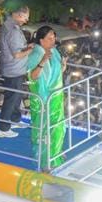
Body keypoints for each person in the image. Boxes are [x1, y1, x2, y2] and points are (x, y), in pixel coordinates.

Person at [27, 26, 67, 169]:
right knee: (45, 129)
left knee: (58, 128)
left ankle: (55, 152)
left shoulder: (55, 52)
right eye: (50, 38)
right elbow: (32, 77)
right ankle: (45, 159)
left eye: (54, 37)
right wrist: (43, 61)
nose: (53, 40)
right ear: (41, 40)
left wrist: (63, 67)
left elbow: (56, 74)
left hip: (56, 97)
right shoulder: (35, 54)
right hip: (43, 99)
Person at [0, 6, 32, 138]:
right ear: (18, 15)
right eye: (25, 17)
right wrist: (30, 50)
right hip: (14, 69)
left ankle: (14, 120)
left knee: (16, 98)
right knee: (11, 99)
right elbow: (17, 54)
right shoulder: (13, 30)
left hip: (13, 68)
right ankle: (3, 129)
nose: (26, 21)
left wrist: (26, 48)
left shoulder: (8, 25)